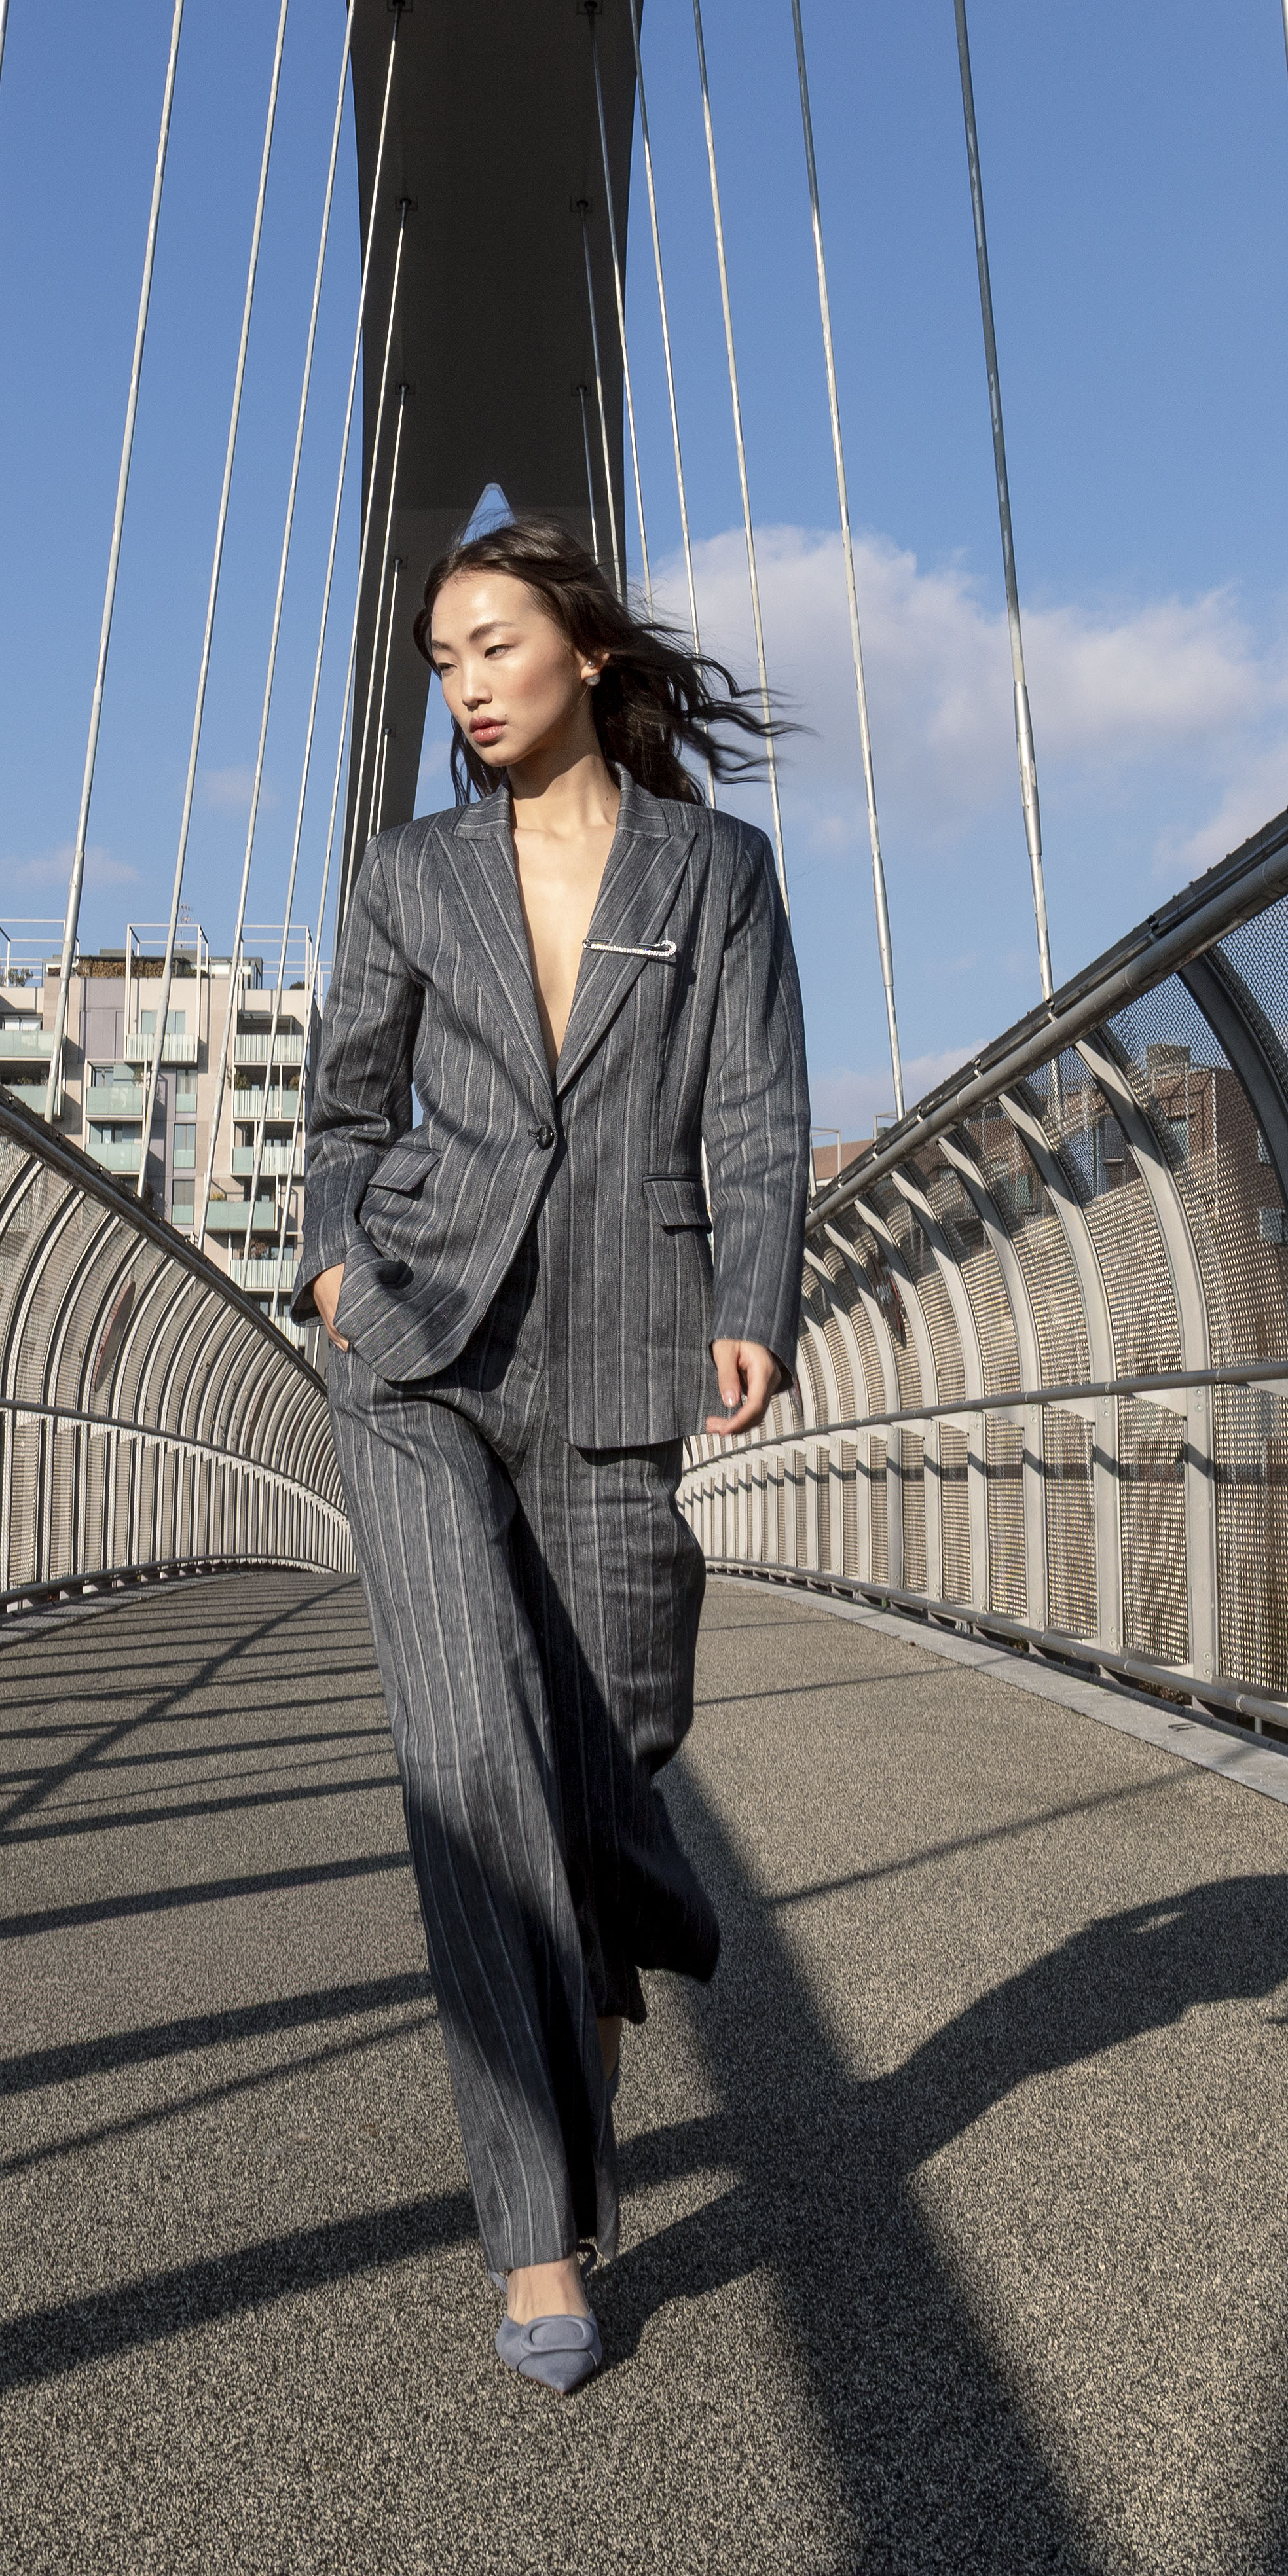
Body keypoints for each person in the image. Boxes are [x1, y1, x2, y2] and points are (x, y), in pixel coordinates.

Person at [295, 514, 808, 2397]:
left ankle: (630, 1909)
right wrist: (337, 1269)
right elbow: (345, 1104)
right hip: (419, 1346)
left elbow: (758, 1109)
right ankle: (535, 2237)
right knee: (472, 1761)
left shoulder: (714, 869)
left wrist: (754, 1295)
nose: (468, 686)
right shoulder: (412, 872)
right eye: (444, 662)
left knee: (608, 1749)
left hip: (621, 1346)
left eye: (496, 645)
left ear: (586, 649)